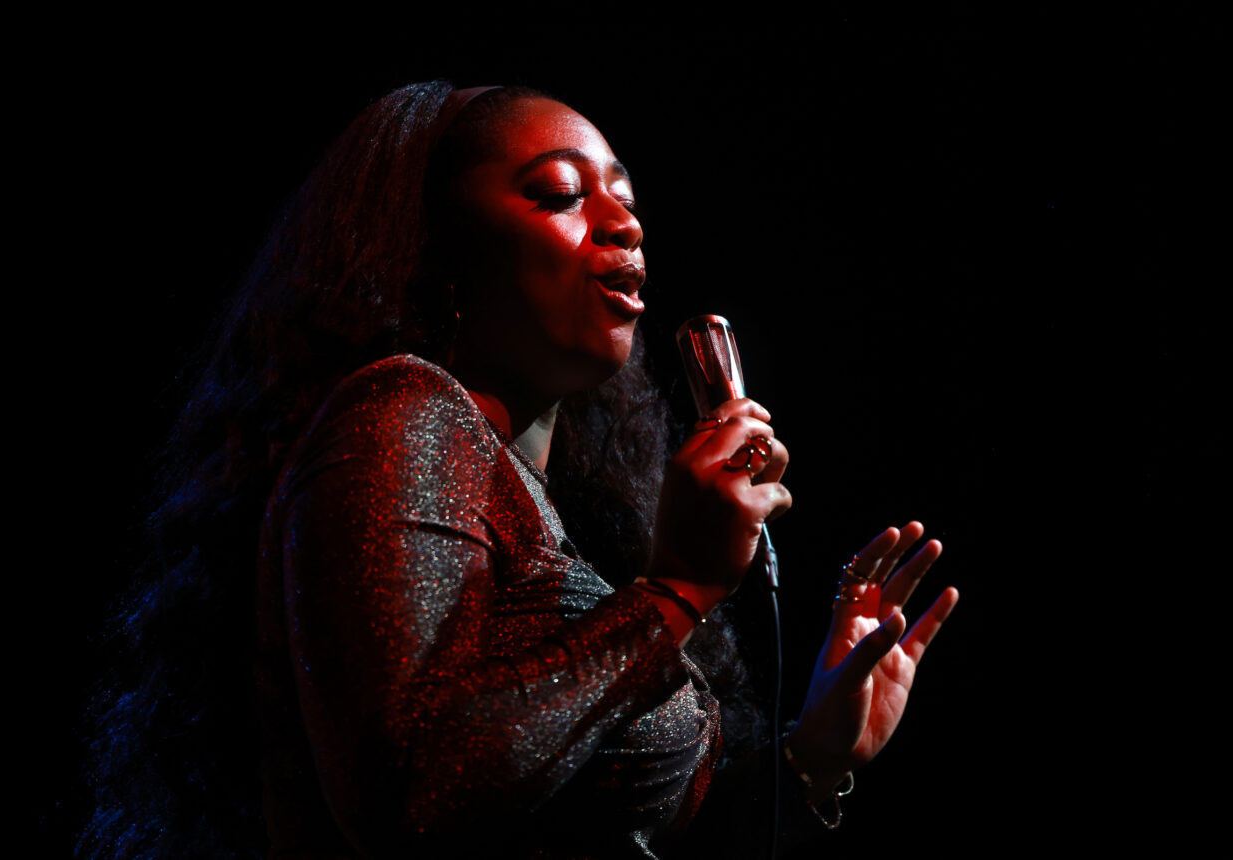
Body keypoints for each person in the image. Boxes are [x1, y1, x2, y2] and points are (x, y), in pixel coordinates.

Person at [81, 82, 958, 859]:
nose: (624, 222)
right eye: (563, 194)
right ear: (445, 249)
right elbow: (415, 791)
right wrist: (676, 592)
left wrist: (816, 755)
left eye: (626, 198)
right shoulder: (400, 411)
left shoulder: (556, 519)